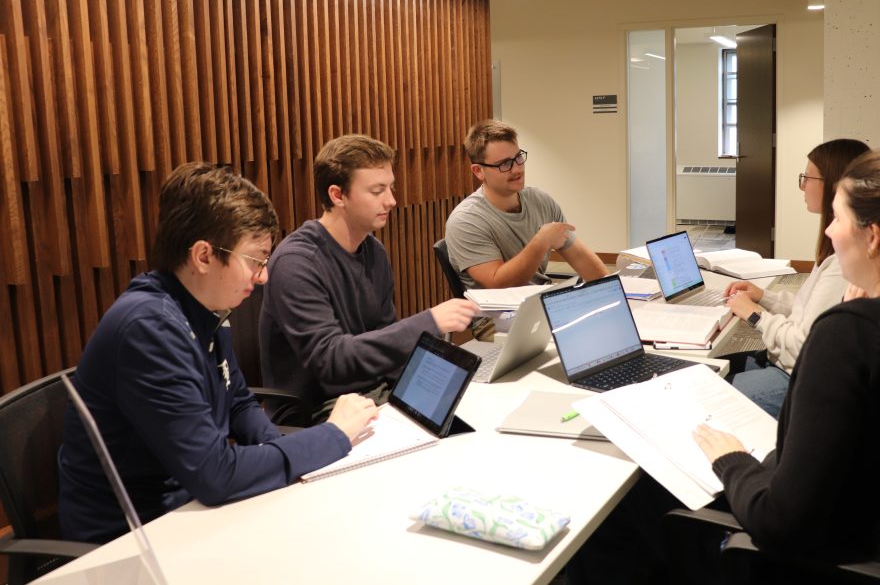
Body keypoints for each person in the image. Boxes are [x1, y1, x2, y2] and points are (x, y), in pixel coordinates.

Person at [569, 134, 880, 583]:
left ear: (873, 237)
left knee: (612, 500)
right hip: (874, 539)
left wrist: (732, 458)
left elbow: (780, 521)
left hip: (789, 560)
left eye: (838, 218)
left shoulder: (849, 337)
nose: (830, 231)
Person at [59, 163, 379, 544]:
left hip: (188, 512)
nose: (262, 277)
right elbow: (214, 476)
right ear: (203, 256)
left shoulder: (202, 307)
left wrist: (279, 447)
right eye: (255, 260)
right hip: (130, 540)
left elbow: (239, 403)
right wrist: (332, 436)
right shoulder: (149, 329)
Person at [259, 134, 479, 411]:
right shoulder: (296, 263)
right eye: (377, 191)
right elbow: (331, 362)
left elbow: (383, 339)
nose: (391, 201)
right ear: (337, 195)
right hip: (318, 410)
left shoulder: (373, 251)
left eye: (390, 188)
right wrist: (429, 322)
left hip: (372, 395)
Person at [723, 138, 869, 417]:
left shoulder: (844, 263)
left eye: (807, 178)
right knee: (710, 368)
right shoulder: (837, 253)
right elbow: (810, 312)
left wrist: (755, 314)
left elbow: (804, 345)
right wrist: (764, 297)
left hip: (800, 380)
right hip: (792, 368)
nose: (802, 186)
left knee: (704, 391)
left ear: (834, 185)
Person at [444, 119, 608, 290]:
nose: (517, 169)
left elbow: (580, 257)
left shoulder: (540, 201)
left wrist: (613, 290)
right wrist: (542, 241)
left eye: (518, 158)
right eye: (504, 164)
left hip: (540, 300)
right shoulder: (466, 220)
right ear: (478, 171)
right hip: (498, 314)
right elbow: (497, 284)